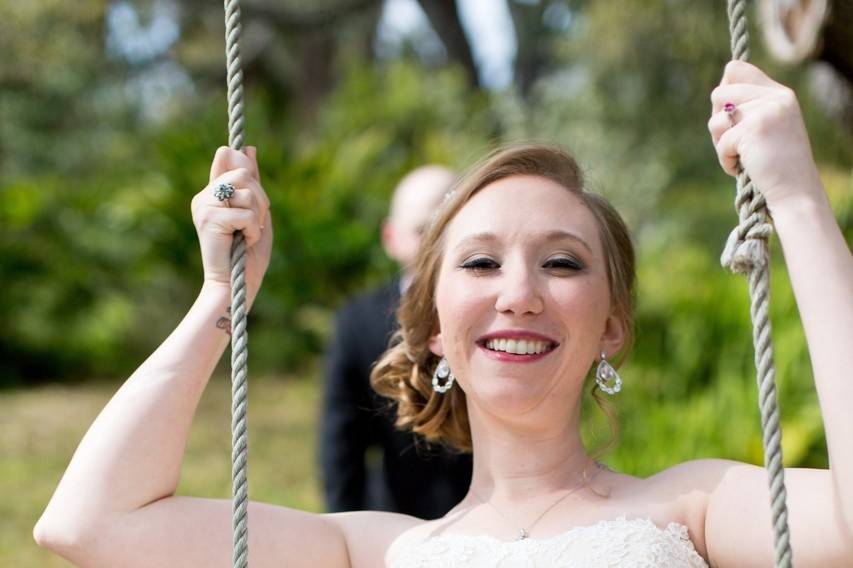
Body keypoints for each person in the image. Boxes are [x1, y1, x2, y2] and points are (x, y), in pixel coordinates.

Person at [34, 61, 852, 567]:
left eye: (562, 262)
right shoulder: (370, 551)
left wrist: (797, 199)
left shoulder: (696, 507)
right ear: (431, 329)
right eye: (480, 261)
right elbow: (90, 524)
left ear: (612, 325)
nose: (519, 291)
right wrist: (222, 298)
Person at [320, 165, 472, 518]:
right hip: (395, 515)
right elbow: (341, 442)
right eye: (422, 230)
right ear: (391, 238)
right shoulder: (356, 322)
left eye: (449, 228)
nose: (437, 244)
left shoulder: (498, 310)